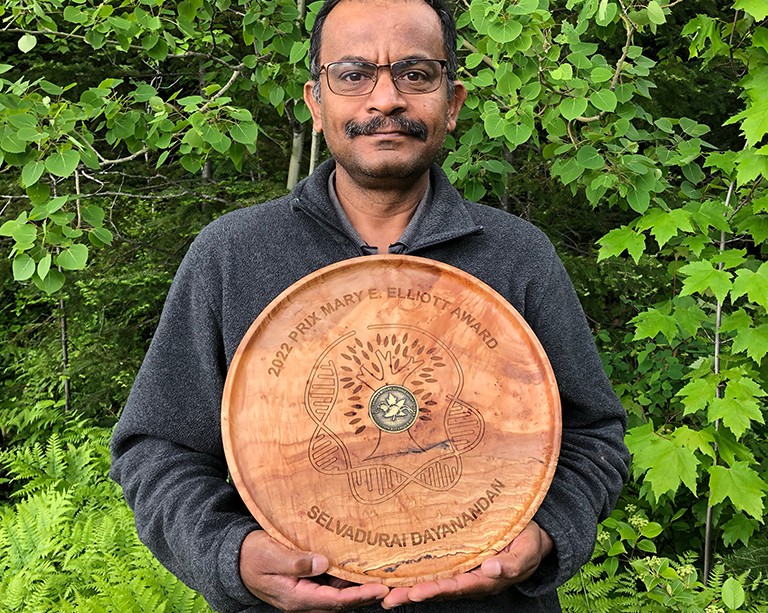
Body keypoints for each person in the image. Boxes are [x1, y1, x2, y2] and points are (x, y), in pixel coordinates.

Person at [110, 0, 630, 611]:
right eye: (354, 74)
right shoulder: (232, 254)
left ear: (452, 102)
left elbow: (593, 436)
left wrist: (545, 536)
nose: (385, 99)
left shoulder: (518, 256)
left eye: (416, 74)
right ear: (315, 100)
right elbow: (156, 449)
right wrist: (232, 554)